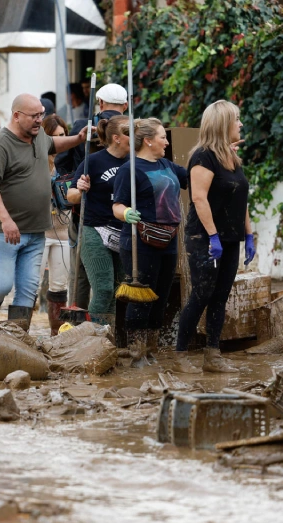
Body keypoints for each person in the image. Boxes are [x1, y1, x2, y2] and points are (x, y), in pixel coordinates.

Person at [0, 93, 86, 330]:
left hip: (37, 231)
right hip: (7, 231)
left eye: (41, 115)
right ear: (16, 116)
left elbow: (55, 144)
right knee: (2, 285)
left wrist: (79, 138)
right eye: (34, 116)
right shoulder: (0, 143)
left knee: (27, 291)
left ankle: (18, 342)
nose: (39, 120)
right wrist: (6, 220)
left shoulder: (39, 137)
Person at [173, 100, 255, 373]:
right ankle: (181, 353)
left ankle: (213, 354)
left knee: (221, 296)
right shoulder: (203, 157)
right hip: (204, 238)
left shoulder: (232, 157)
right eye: (237, 119)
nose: (241, 124)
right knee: (202, 294)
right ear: (222, 125)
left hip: (230, 239)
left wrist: (249, 234)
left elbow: (240, 198)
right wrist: (213, 237)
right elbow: (198, 198)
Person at [111, 117, 189, 359]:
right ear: (148, 140)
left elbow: (193, 179)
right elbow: (117, 205)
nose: (167, 141)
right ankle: (136, 351)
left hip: (168, 239)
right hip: (139, 241)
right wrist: (126, 213)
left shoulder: (167, 165)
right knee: (141, 296)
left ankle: (151, 349)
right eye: (162, 137)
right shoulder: (129, 169)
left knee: (160, 297)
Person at [67, 116, 130, 336]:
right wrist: (81, 187)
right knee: (102, 289)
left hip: (122, 231)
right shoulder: (92, 161)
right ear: (116, 138)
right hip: (94, 229)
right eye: (129, 133)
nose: (135, 137)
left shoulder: (134, 162)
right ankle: (86, 339)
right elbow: (71, 195)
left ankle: (106, 338)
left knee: (116, 292)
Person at [41, 113, 73, 334]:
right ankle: (19, 336)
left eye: (63, 136)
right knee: (30, 287)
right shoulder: (37, 163)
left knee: (60, 287)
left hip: (63, 233)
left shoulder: (70, 162)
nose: (60, 141)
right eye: (55, 137)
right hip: (39, 232)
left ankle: (56, 334)